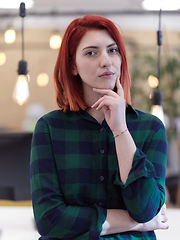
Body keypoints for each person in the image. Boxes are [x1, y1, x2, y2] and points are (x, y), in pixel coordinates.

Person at [30, 15, 168, 240]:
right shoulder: (50, 128)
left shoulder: (150, 128)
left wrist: (120, 130)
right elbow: (48, 220)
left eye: (113, 50)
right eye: (91, 52)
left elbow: (145, 208)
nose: (107, 61)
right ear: (73, 65)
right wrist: (135, 224)